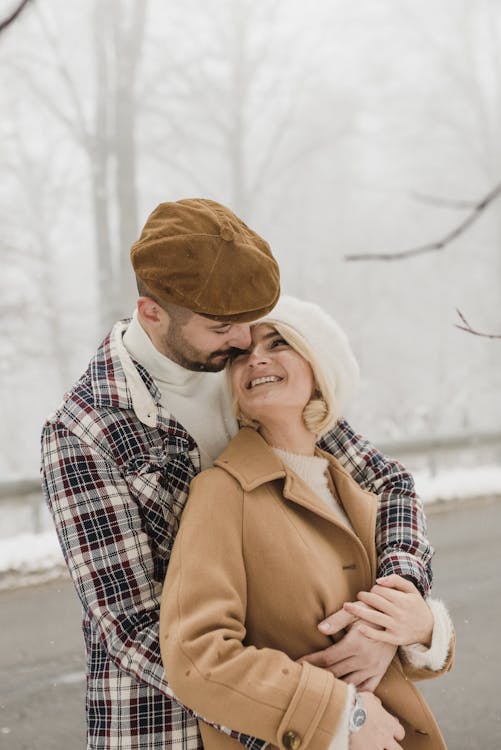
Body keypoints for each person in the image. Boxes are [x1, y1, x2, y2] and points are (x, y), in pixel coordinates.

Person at [41, 199, 435, 750]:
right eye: (223, 326)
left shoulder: (252, 379)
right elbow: (130, 627)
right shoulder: (87, 430)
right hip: (167, 727)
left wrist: (388, 614)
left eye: (253, 320)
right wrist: (318, 713)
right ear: (151, 312)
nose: (247, 342)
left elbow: (386, 485)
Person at [160, 295, 455, 750]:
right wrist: (342, 714)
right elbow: (197, 658)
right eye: (240, 354)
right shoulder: (222, 492)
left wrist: (422, 627)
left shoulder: (356, 494)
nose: (255, 357)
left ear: (319, 370)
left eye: (279, 343)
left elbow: (398, 657)